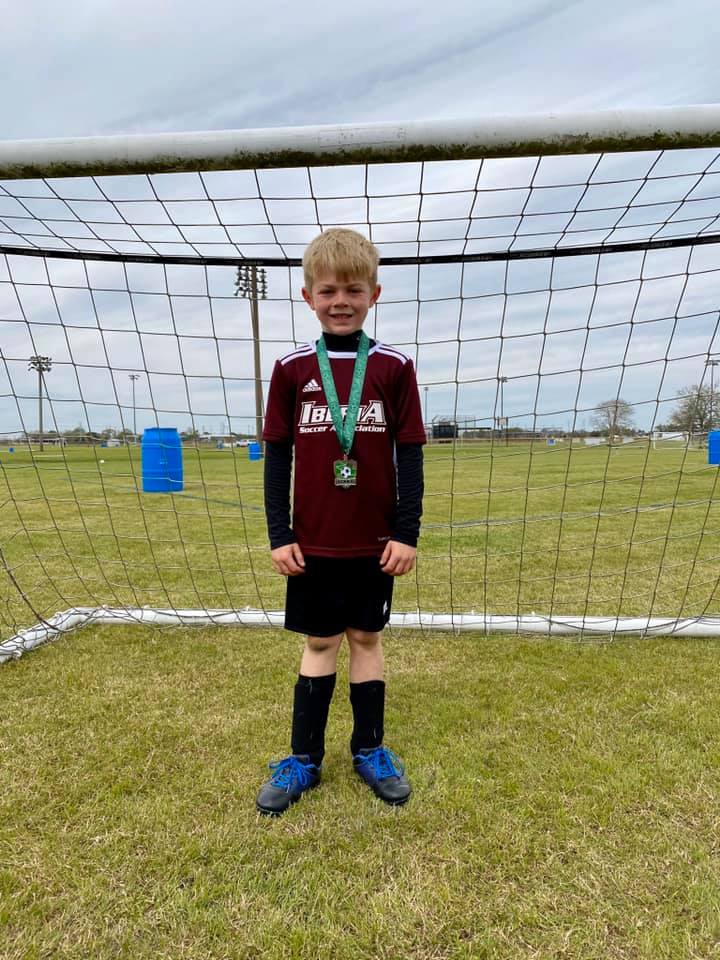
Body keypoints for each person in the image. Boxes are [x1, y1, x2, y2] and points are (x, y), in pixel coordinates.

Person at [256, 228, 426, 816]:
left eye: (354, 290)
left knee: (366, 639)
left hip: (376, 544)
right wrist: (280, 534)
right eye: (328, 291)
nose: (341, 301)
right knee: (320, 640)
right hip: (313, 544)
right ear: (308, 296)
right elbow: (277, 458)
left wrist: (406, 532)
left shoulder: (394, 367)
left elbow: (411, 456)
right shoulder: (291, 369)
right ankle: (303, 758)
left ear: (374, 293)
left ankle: (370, 750)